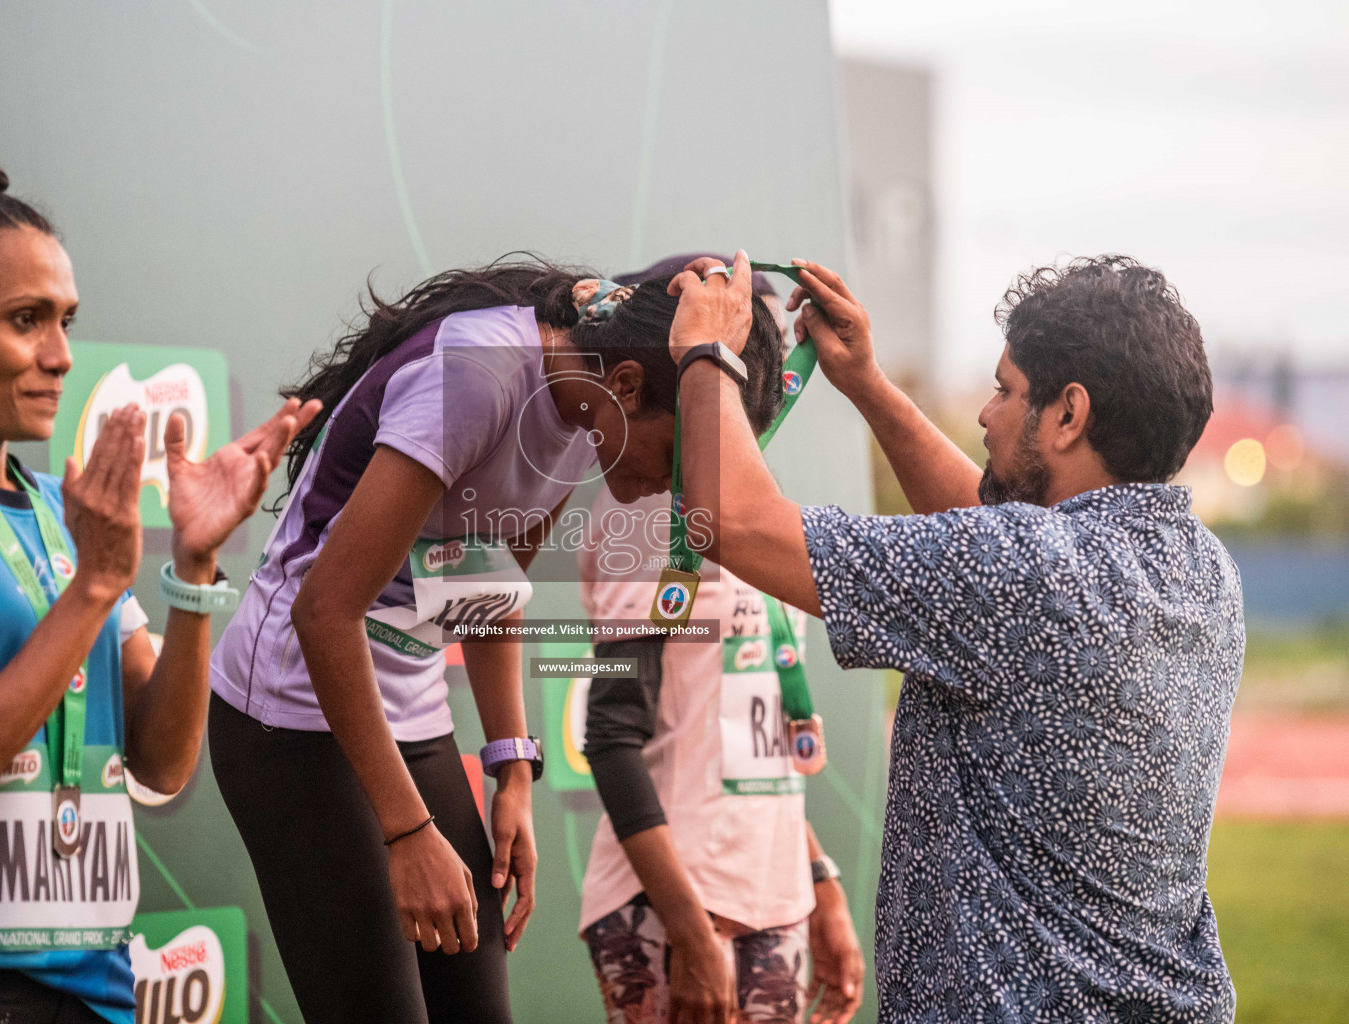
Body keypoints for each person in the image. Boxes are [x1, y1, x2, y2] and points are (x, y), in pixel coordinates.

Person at [0, 133, 318, 1024]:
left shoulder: (65, 509)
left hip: (99, 992)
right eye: (24, 320)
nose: (60, 355)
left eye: (65, 321)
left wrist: (193, 568)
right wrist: (92, 587)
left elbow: (161, 761)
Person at [205, 258, 786, 1023]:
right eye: (681, 462)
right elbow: (325, 613)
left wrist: (511, 765)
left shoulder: (590, 409)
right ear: (632, 389)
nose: (681, 494)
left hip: (409, 710)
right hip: (291, 714)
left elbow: (488, 582)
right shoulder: (479, 376)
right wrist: (410, 831)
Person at [665, 251, 1240, 1022]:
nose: (985, 414)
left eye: (1006, 392)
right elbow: (985, 539)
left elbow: (732, 521)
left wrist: (709, 353)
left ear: (1069, 415)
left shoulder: (1020, 574)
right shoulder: (1204, 570)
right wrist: (866, 383)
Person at [575, 254, 864, 1024]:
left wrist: (819, 885)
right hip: (676, 909)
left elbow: (746, 738)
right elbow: (611, 737)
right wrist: (689, 930)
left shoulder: (763, 526)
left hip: (772, 898)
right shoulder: (648, 520)